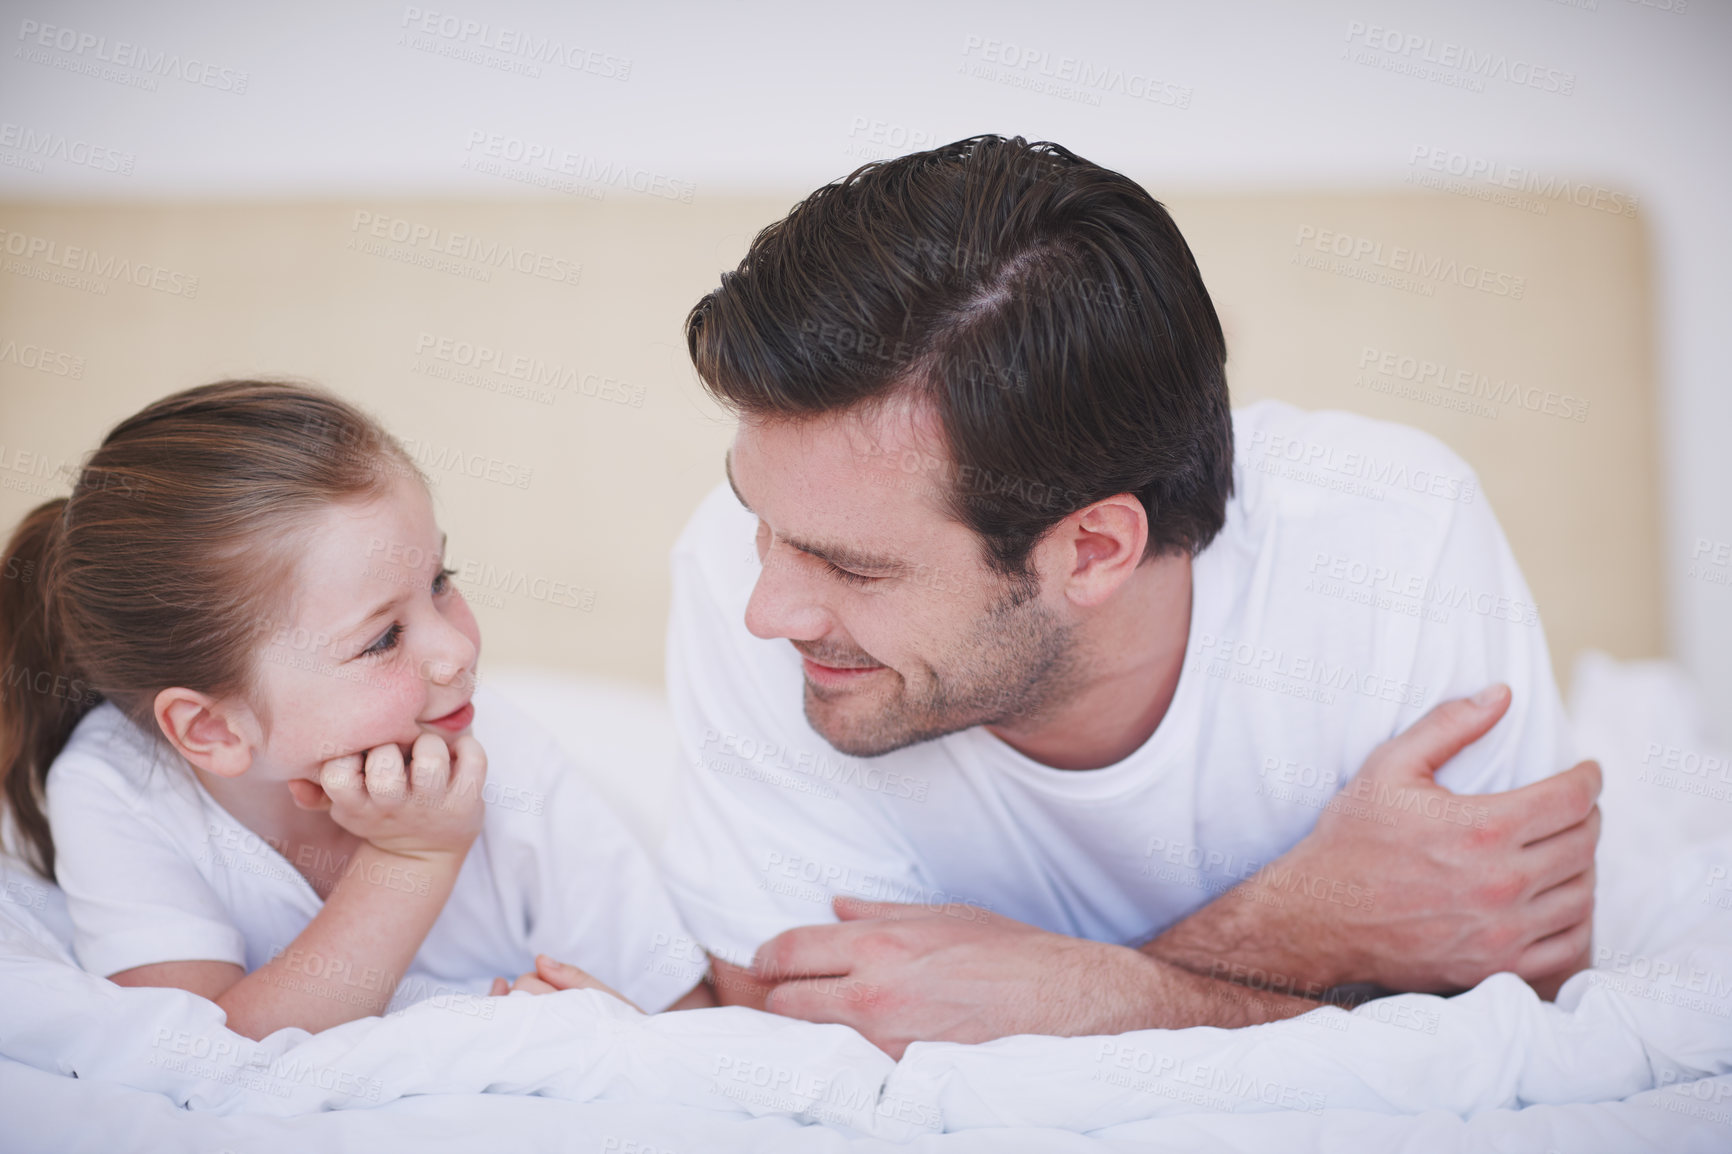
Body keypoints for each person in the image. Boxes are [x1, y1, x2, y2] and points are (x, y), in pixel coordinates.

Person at [660, 135, 1601, 1058]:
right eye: (758, 520)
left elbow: (1523, 1029)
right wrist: (1302, 933)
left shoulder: (1395, 542)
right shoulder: (746, 561)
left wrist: (1076, 998)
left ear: (1094, 550)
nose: (767, 611)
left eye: (858, 569)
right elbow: (809, 1060)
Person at [0, 379, 709, 1040]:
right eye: (383, 639)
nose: (457, 652)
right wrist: (413, 856)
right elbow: (203, 1051)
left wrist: (615, 1028)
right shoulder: (118, 790)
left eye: (440, 581)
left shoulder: (505, 760)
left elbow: (687, 1019)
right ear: (212, 728)